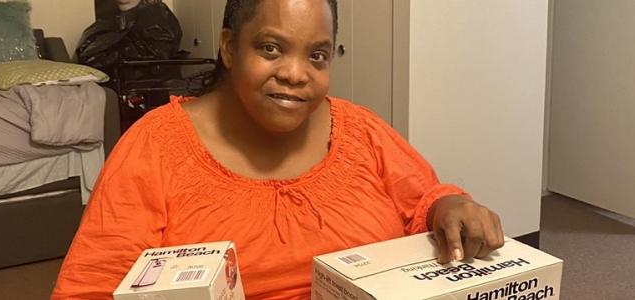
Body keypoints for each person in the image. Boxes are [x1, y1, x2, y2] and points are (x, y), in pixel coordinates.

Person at [51, 0, 504, 299]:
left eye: (317, 55)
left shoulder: (360, 130)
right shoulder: (155, 146)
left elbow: (422, 197)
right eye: (271, 48)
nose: (295, 73)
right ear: (229, 47)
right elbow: (93, 284)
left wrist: (451, 203)